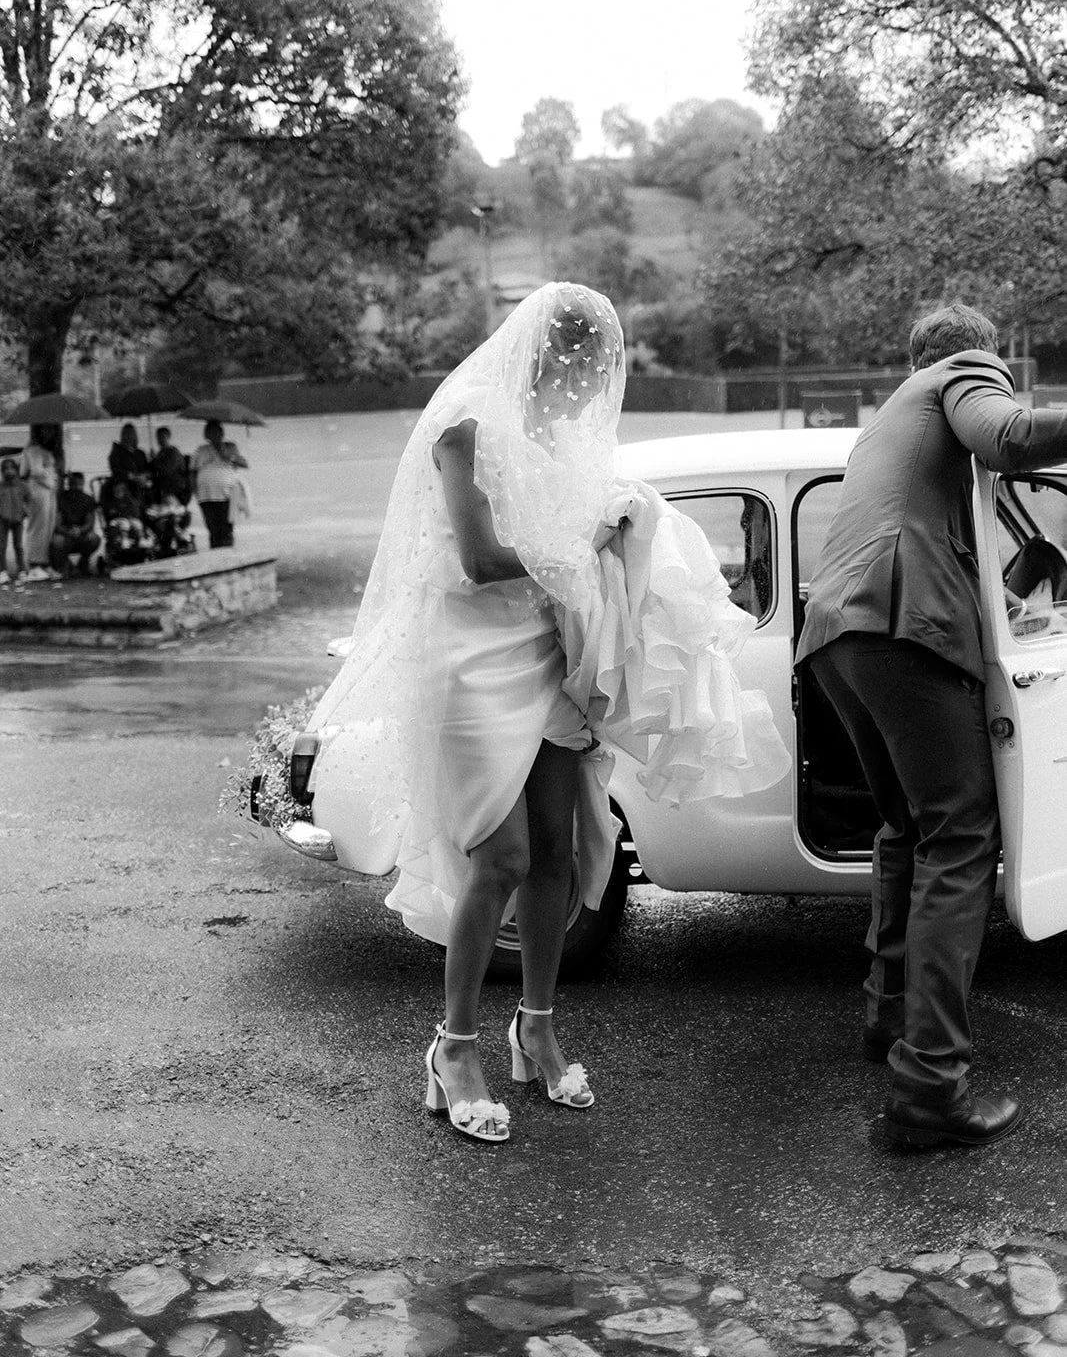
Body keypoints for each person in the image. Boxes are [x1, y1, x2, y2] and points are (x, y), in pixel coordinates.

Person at [304, 282, 789, 1145]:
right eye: (581, 368)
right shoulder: (462, 424)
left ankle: (536, 1025)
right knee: (502, 856)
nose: (583, 389)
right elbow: (485, 558)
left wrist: (627, 524)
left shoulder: (550, 436)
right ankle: (452, 1048)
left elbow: (578, 527)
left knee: (559, 855)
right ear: (546, 350)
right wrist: (587, 543)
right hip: (471, 659)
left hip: (546, 649)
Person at [796, 302, 1067, 1151]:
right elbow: (1012, 439)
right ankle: (930, 1087)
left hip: (836, 636)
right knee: (960, 839)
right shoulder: (960, 374)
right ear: (981, 357)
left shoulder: (883, 421)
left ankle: (887, 1018)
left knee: (908, 827)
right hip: (903, 624)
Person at [191, 420, 248, 549]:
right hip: (206, 496)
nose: (214, 435)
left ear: (222, 433)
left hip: (229, 494)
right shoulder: (200, 450)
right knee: (213, 529)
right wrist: (195, 493)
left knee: (228, 528)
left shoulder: (230, 447)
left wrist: (230, 456)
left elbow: (244, 464)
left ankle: (228, 554)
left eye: (217, 432)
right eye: (211, 432)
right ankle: (216, 554)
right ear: (207, 435)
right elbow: (192, 473)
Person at [19, 425, 59, 581]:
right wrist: (51, 478)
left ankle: (43, 562)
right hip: (38, 490)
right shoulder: (34, 449)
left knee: (48, 527)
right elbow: (35, 471)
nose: (49, 434)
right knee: (38, 527)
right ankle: (34, 564)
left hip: (48, 491)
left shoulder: (46, 449)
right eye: (46, 430)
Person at [50, 472, 101, 577]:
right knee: (57, 541)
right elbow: (57, 524)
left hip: (81, 533)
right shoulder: (61, 498)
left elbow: (90, 523)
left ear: (83, 484)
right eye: (73, 484)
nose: (76, 487)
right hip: (65, 534)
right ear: (68, 484)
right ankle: (64, 563)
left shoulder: (88, 499)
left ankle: (83, 562)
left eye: (79, 484)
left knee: (94, 538)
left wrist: (80, 530)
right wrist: (68, 531)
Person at [107, 422, 151, 510]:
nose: (129, 437)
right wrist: (131, 476)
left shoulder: (140, 453)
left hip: (141, 484)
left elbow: (147, 469)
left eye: (131, 434)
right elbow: (115, 470)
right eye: (126, 434)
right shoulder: (116, 453)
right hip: (124, 484)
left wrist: (144, 475)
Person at [0, 455, 29, 584]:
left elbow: (29, 500)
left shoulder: (22, 486)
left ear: (17, 470)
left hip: (18, 520)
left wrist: (25, 512)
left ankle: (22, 570)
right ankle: (2, 571)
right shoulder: (0, 486)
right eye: (5, 469)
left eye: (12, 468)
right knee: (1, 546)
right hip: (2, 520)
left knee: (18, 546)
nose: (9, 471)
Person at [149, 426, 191, 505]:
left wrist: (155, 460)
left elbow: (167, 471)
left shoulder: (173, 452)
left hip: (176, 490)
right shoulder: (160, 453)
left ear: (168, 437)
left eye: (162, 437)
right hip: (164, 490)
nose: (160, 440)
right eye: (158, 437)